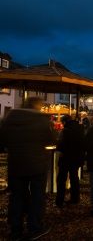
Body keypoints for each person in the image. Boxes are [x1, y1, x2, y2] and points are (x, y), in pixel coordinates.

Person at [0, 97, 56, 240]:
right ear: (37, 106)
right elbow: (51, 140)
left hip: (16, 164)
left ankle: (15, 229)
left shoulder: (9, 119)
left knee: (16, 196)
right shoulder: (42, 120)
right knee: (37, 196)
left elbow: (2, 141)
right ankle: (34, 227)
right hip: (37, 164)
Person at [55, 115, 85, 208]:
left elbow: (60, 145)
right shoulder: (80, 129)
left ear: (64, 122)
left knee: (61, 180)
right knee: (74, 178)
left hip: (66, 158)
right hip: (76, 158)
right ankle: (75, 198)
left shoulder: (65, 131)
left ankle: (60, 200)